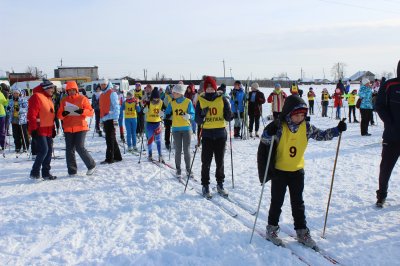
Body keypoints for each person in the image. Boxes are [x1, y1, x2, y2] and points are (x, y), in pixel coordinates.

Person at [258, 95, 347, 247]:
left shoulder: (306, 127)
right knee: (277, 202)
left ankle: (301, 231)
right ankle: (271, 229)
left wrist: (337, 130)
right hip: (280, 171)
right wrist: (268, 131)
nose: (299, 118)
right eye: (296, 114)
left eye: (302, 115)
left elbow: (322, 135)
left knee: (298, 203)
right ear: (288, 114)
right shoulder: (279, 127)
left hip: (297, 171)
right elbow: (265, 142)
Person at [195, 76, 233, 198]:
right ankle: (205, 185)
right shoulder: (200, 100)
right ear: (205, 89)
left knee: (219, 161)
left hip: (220, 134)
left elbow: (228, 116)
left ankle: (220, 184)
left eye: (212, 88)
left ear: (215, 88)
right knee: (206, 162)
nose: (210, 90)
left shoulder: (222, 99)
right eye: (208, 88)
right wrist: (202, 114)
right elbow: (198, 120)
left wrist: (230, 115)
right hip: (207, 135)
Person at [375, 60, 400, 207]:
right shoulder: (390, 85)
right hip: (392, 136)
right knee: (385, 168)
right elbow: (379, 105)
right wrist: (390, 123)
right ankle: (381, 195)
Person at [57, 81, 96, 176]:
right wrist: (64, 113)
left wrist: (81, 111)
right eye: (69, 90)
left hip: (81, 127)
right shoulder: (64, 101)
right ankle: (72, 171)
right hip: (68, 128)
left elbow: (90, 112)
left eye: (72, 90)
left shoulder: (83, 99)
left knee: (79, 147)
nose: (71, 92)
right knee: (69, 150)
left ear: (76, 90)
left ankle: (91, 165)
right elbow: (59, 115)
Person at [27, 79, 58, 180]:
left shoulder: (49, 98)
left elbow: (50, 115)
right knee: (44, 150)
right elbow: (31, 115)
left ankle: (45, 172)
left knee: (48, 151)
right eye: (51, 88)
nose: (53, 90)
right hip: (39, 129)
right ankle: (34, 172)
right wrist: (33, 129)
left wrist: (53, 128)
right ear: (46, 88)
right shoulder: (36, 97)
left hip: (48, 129)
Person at [165, 84, 195, 178]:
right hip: (176, 129)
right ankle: (178, 169)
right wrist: (164, 115)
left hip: (186, 129)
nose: (172, 94)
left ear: (180, 93)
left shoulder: (188, 101)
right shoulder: (172, 103)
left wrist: (189, 116)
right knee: (178, 150)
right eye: (173, 92)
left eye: (174, 92)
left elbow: (193, 115)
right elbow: (167, 114)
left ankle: (188, 169)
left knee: (186, 150)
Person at [99, 79, 122, 164]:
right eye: (101, 85)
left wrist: (115, 119)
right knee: (111, 138)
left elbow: (117, 107)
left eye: (104, 84)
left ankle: (109, 158)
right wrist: (101, 120)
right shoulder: (102, 95)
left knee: (109, 139)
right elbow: (102, 108)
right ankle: (118, 156)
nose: (102, 86)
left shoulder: (112, 93)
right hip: (105, 119)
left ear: (107, 84)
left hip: (111, 119)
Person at [144, 88, 165, 162]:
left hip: (157, 123)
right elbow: (142, 109)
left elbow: (164, 110)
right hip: (149, 123)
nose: (156, 100)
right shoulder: (148, 103)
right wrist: (144, 110)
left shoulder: (161, 102)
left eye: (157, 98)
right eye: (154, 98)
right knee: (150, 140)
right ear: (152, 97)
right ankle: (150, 154)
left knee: (158, 140)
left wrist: (163, 113)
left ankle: (160, 155)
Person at [8, 88, 29, 152]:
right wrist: (8, 109)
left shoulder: (23, 100)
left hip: (22, 120)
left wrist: (19, 110)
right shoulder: (11, 100)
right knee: (15, 135)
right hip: (14, 119)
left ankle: (25, 146)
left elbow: (26, 109)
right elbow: (8, 110)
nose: (15, 94)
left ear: (19, 93)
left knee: (23, 134)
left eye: (17, 93)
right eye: (14, 93)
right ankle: (17, 146)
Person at [163, 85, 174, 150]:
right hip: (167, 117)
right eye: (171, 89)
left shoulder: (177, 97)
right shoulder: (167, 97)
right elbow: (164, 106)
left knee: (175, 130)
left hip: (175, 117)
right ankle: (167, 142)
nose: (172, 91)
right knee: (167, 130)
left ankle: (176, 142)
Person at [0, 85, 10, 150]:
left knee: (2, 130)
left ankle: (3, 144)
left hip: (2, 114)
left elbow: (5, 103)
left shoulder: (1, 94)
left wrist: (8, 99)